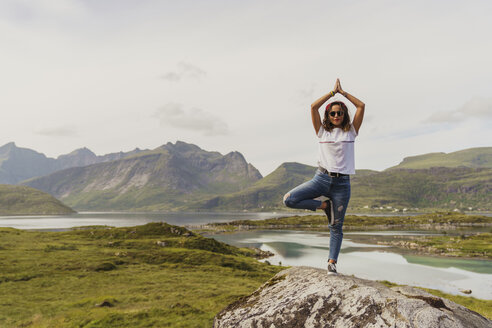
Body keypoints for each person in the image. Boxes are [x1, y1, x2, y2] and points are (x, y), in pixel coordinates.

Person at [283, 78, 365, 275]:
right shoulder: (322, 131)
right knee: (289, 200)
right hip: (321, 179)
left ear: (344, 115)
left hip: (342, 184)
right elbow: (312, 107)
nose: (336, 115)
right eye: (333, 113)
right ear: (328, 115)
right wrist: (331, 93)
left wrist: (343, 94)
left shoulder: (351, 131)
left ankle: (331, 264)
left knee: (336, 226)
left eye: (340, 112)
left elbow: (361, 105)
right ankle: (324, 206)